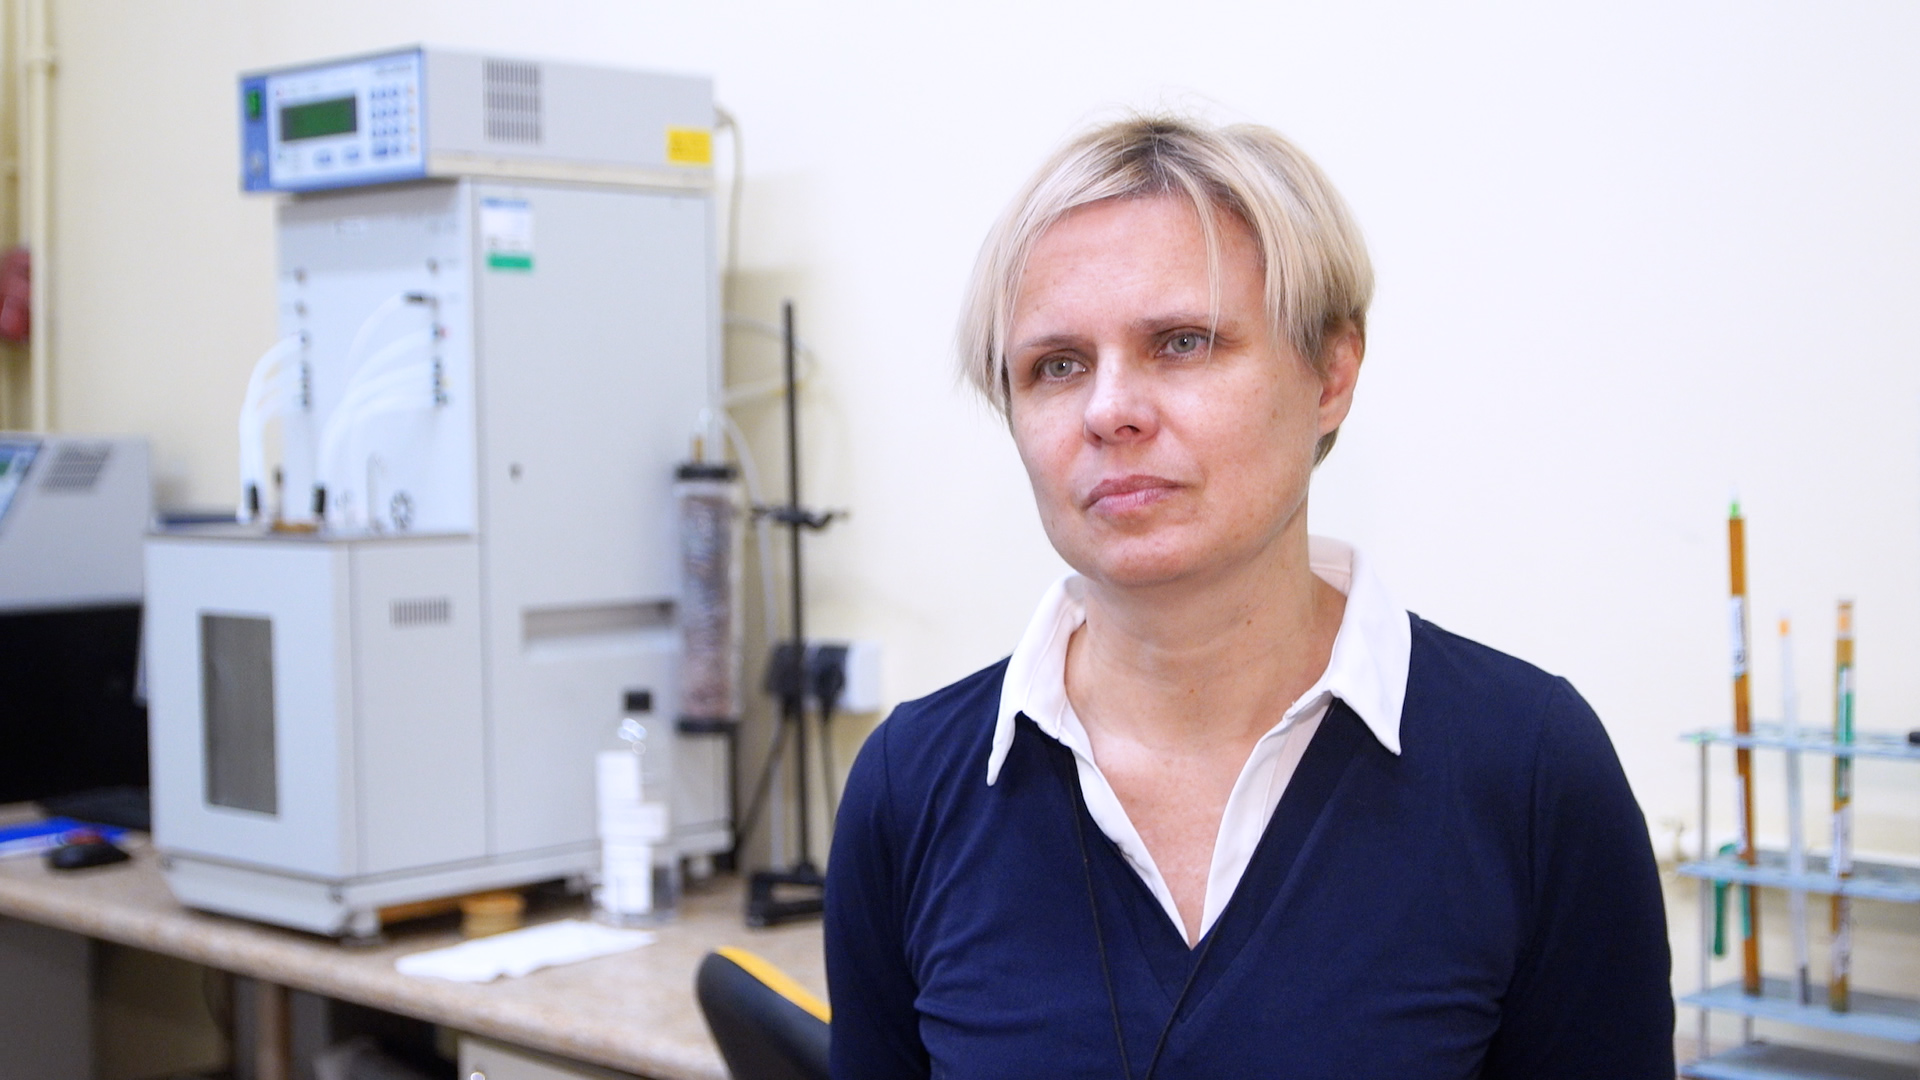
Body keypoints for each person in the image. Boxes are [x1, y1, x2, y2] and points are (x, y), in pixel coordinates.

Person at [824, 115, 1672, 1079]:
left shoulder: (1529, 775)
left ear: (1331, 375)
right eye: (1057, 365)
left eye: (1182, 343)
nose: (1110, 410)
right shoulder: (912, 789)